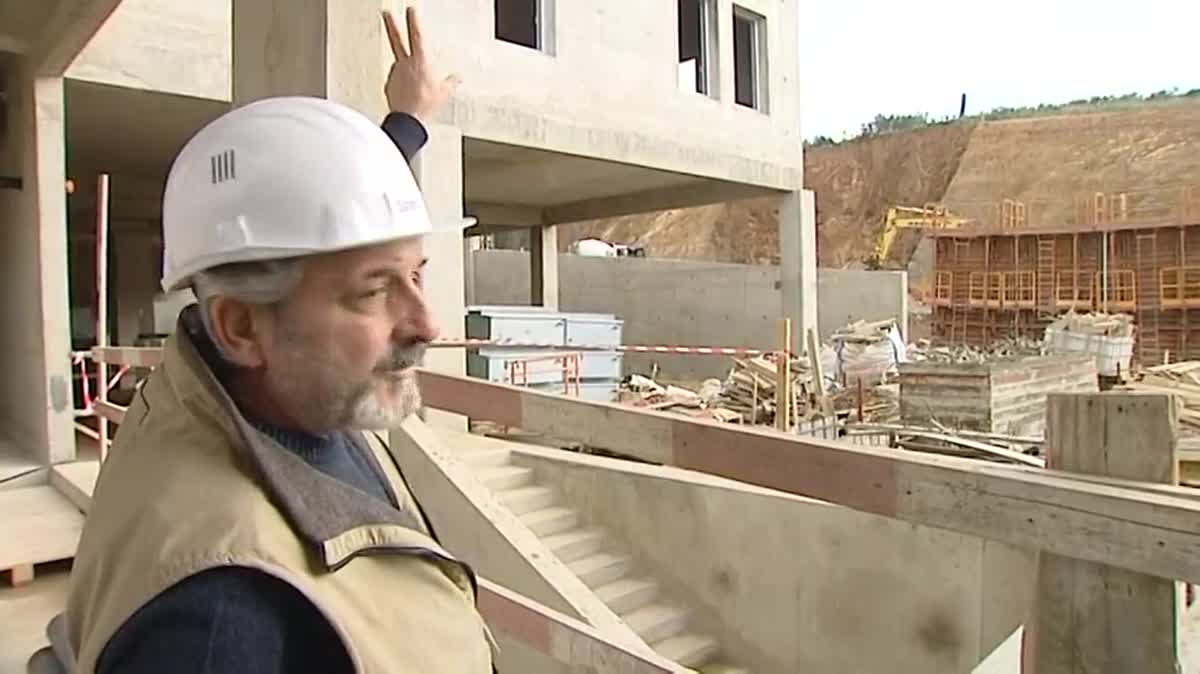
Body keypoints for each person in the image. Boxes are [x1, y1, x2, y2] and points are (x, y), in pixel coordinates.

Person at [59, 8, 494, 674]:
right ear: (240, 326)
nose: (426, 324)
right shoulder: (221, 619)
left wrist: (406, 122)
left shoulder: (257, 380)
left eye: (417, 273)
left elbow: (330, 235)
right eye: (375, 291)